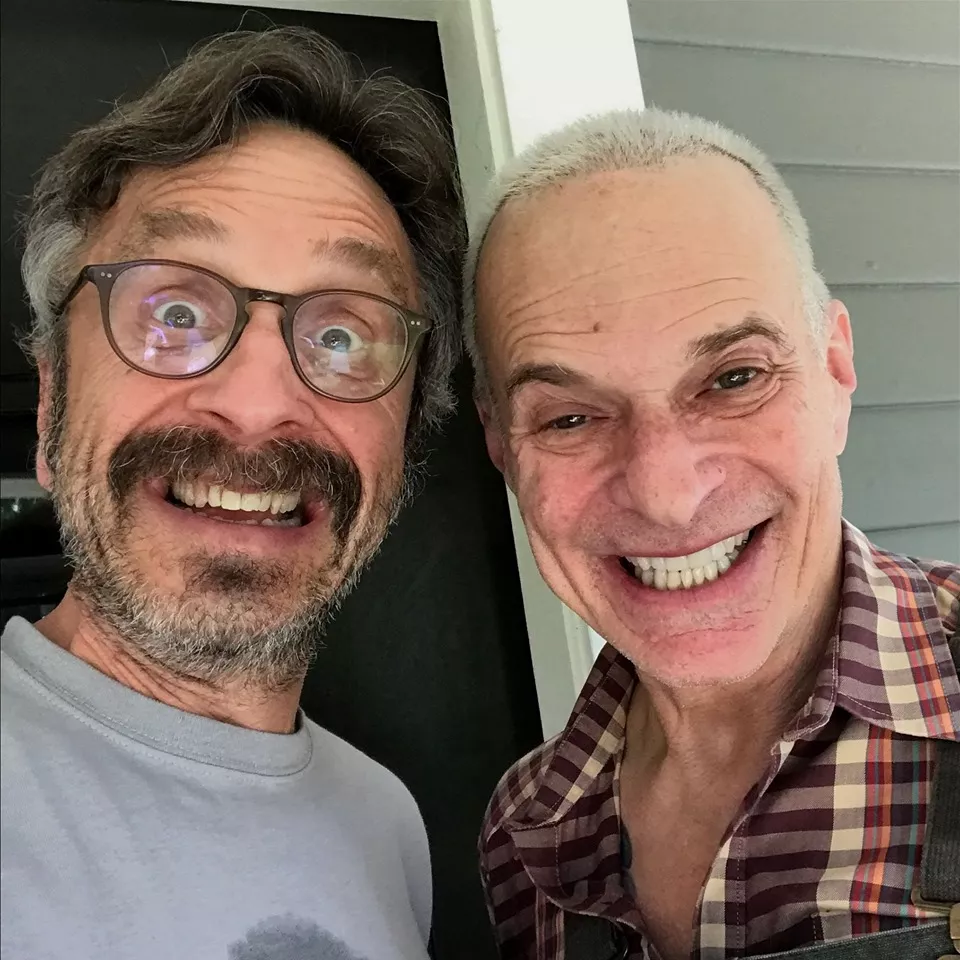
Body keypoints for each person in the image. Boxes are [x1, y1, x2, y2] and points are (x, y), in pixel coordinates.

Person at [0, 27, 464, 960]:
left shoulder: (387, 826)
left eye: (341, 336)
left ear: (406, 439)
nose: (257, 406)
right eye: (174, 312)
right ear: (52, 404)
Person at [465, 109, 959, 960]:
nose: (667, 496)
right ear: (502, 448)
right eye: (570, 417)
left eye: (733, 378)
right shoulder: (526, 833)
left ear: (835, 372)